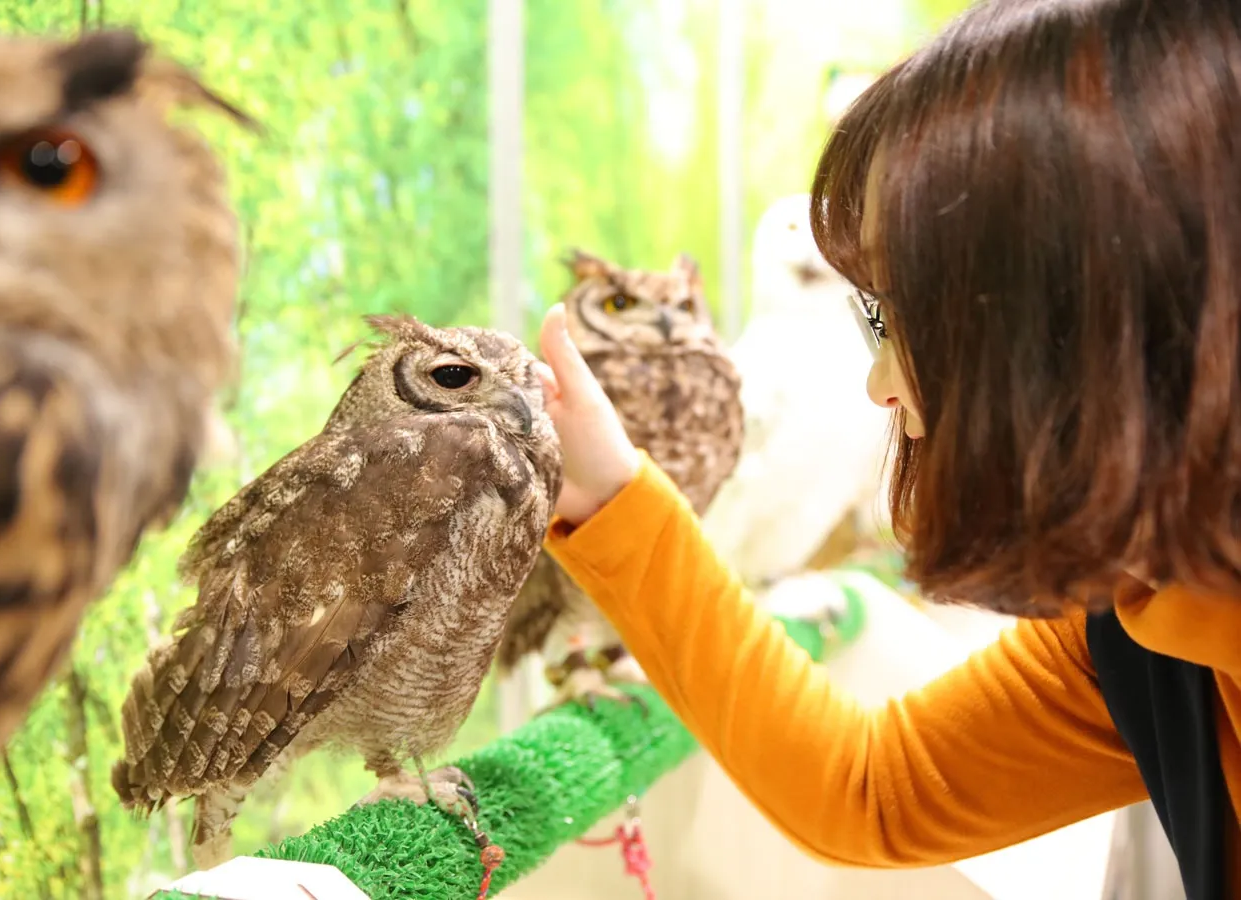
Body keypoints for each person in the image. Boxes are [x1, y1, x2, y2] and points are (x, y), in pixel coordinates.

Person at [531, 0, 1241, 896]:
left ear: (1077, 312)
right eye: (872, 319)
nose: (881, 383)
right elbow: (872, 788)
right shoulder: (1143, 617)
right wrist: (609, 492)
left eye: (901, 313)